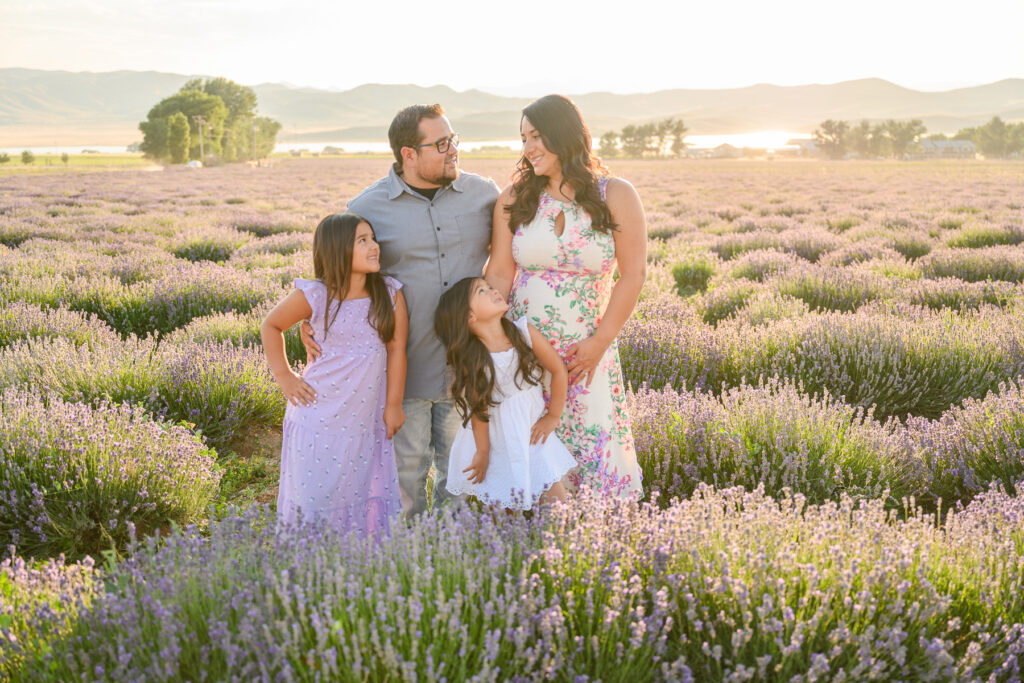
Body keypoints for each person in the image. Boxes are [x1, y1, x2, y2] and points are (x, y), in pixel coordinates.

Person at [302, 104, 500, 517]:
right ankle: (405, 564)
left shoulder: (484, 195)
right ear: (409, 154)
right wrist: (312, 319)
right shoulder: (367, 206)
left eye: (454, 140)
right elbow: (337, 270)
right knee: (403, 480)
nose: (453, 151)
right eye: (441, 144)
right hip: (403, 370)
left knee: (461, 480)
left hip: (467, 366)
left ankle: (451, 562)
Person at [485, 94, 646, 499]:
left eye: (537, 136)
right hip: (523, 351)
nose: (528, 148)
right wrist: (490, 346)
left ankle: (598, 547)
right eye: (523, 139)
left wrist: (600, 342)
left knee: (591, 451)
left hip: (586, 353)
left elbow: (633, 275)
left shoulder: (616, 194)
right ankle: (532, 549)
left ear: (565, 134)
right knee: (531, 449)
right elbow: (501, 273)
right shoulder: (515, 198)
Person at [262, 212, 407, 538]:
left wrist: (394, 404)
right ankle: (311, 567)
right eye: (362, 241)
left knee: (357, 488)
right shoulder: (315, 295)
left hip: (363, 418)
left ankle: (353, 566)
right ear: (337, 250)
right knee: (315, 494)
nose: (374, 247)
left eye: (373, 238)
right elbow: (270, 326)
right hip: (317, 413)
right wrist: (285, 376)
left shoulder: (389, 292)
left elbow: (397, 349)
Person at [434, 277, 576, 509]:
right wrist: (483, 451)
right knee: (503, 513)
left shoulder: (522, 332)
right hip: (498, 441)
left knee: (559, 507)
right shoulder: (474, 358)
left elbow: (558, 369)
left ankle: (562, 541)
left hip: (532, 434)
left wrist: (553, 416)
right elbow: (479, 409)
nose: (493, 291)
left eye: (490, 286)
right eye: (482, 291)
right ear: (469, 317)